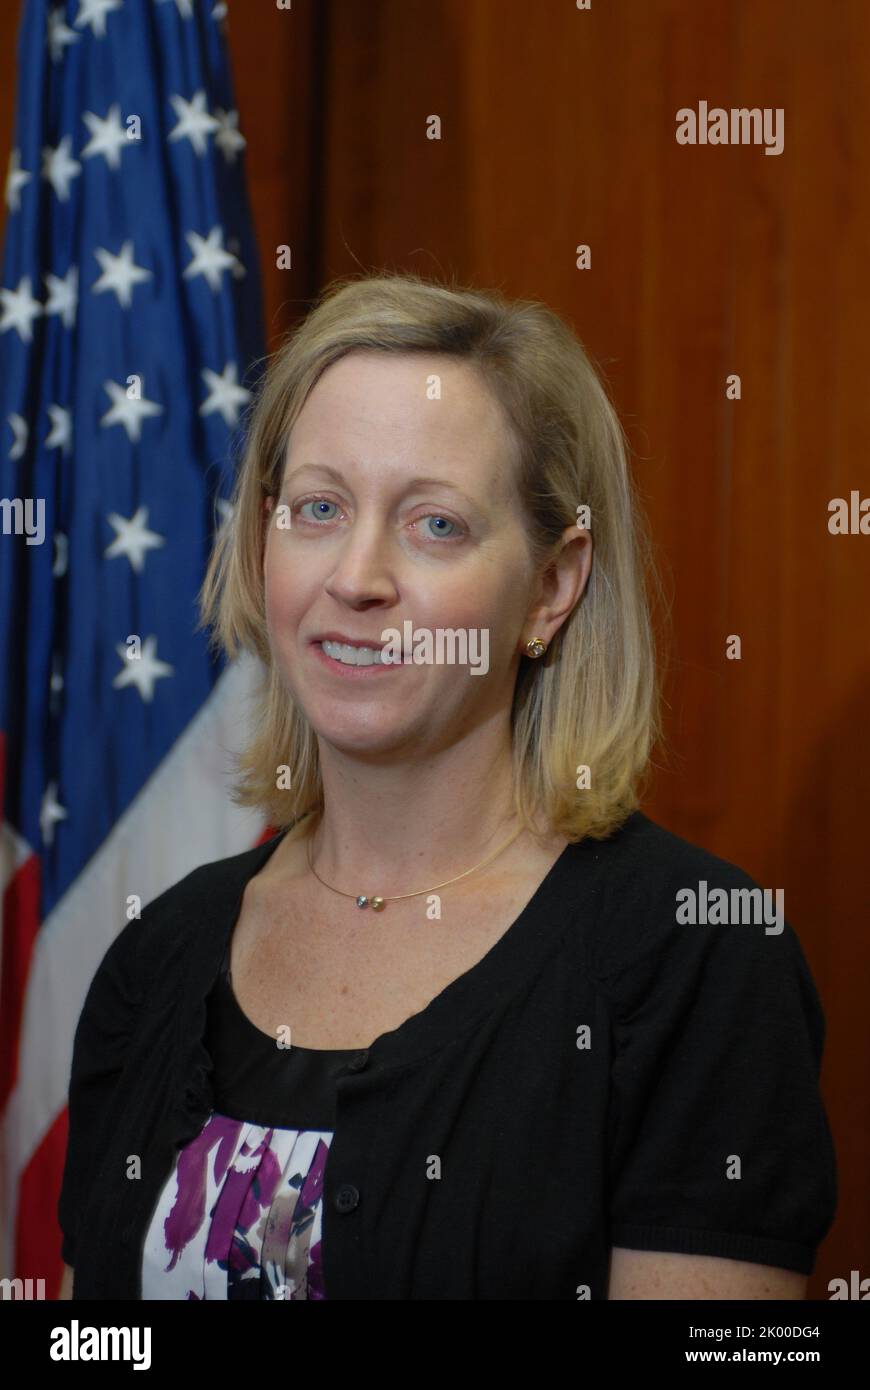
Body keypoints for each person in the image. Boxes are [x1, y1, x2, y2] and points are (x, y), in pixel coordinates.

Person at [58, 270, 837, 1300]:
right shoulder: (156, 956)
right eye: (318, 507)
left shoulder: (697, 957)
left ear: (552, 589)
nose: (357, 576)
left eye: (435, 525)